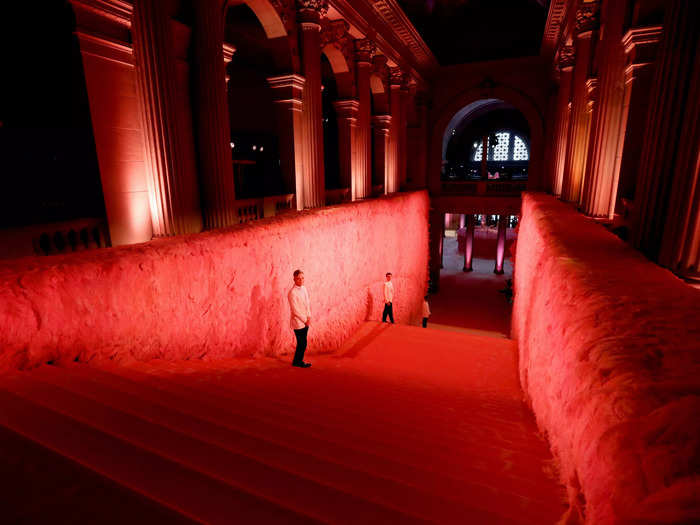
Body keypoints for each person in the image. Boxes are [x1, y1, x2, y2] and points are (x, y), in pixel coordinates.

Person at [288, 269, 312, 368]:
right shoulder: (292, 293)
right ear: (294, 279)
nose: (301, 280)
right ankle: (298, 362)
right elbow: (295, 310)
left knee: (303, 343)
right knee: (301, 343)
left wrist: (309, 316)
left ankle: (297, 361)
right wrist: (304, 320)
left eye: (302, 278)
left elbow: (307, 303)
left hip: (306, 320)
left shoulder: (304, 289)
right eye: (298, 279)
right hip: (298, 321)